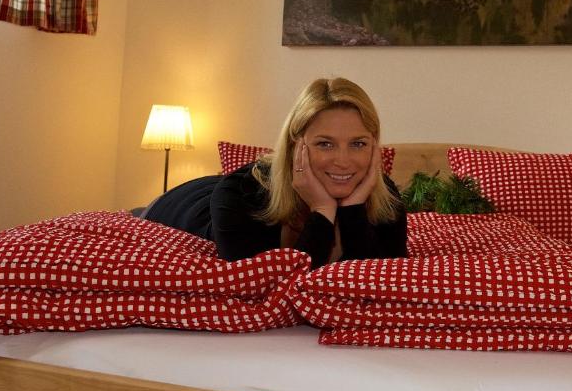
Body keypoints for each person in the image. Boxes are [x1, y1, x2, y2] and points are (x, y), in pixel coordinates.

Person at [143, 77, 406, 268]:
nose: (343, 161)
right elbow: (271, 290)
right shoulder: (239, 196)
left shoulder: (385, 198)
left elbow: (376, 279)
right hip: (185, 201)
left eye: (358, 144)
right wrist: (323, 210)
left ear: (374, 146)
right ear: (296, 146)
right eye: (325, 144)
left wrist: (352, 211)